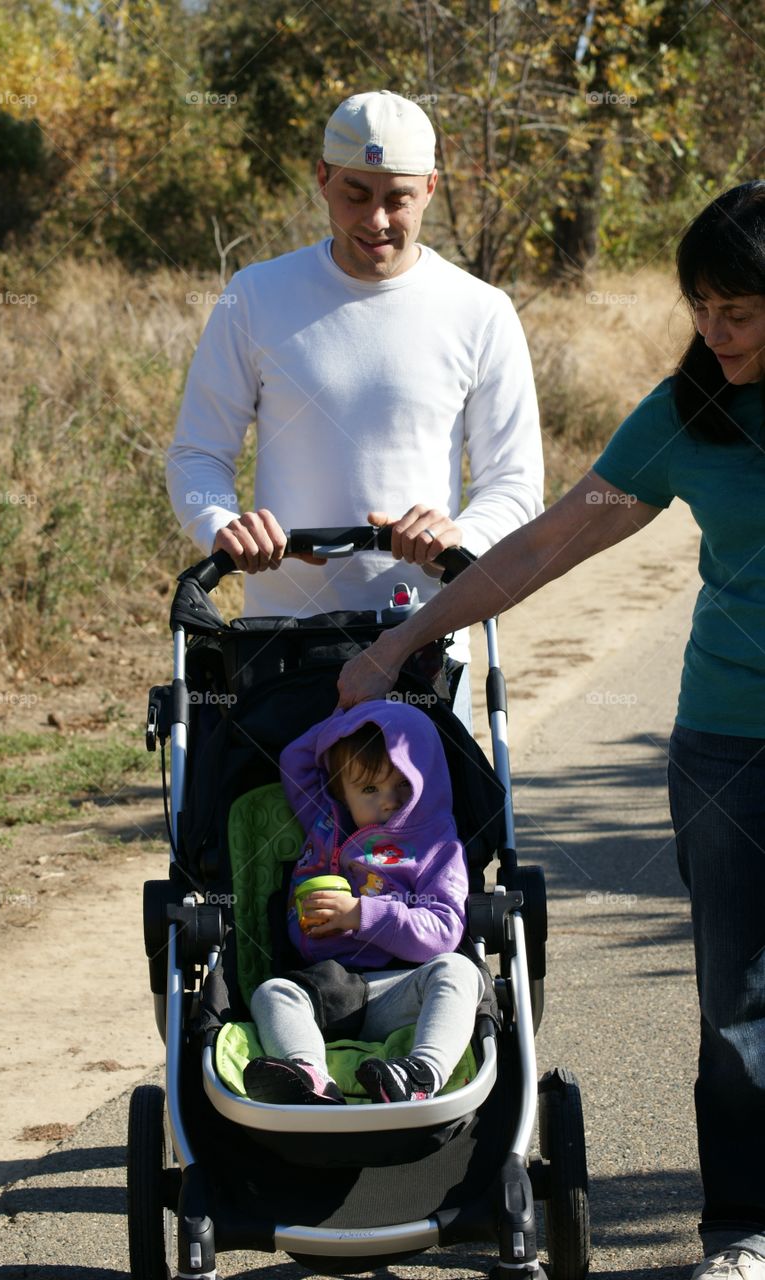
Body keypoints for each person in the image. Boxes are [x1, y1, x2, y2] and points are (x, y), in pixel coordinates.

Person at [336, 180, 765, 1280]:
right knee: (738, 1007)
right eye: (701, 307)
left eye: (739, 310)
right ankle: (742, 1229)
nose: (713, 333)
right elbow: (543, 545)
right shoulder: (688, 413)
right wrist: (400, 643)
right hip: (729, 738)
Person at [166, 89, 544, 718]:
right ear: (322, 179)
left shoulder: (481, 311)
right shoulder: (254, 296)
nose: (376, 221)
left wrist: (459, 536)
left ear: (429, 187)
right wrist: (224, 528)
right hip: (281, 650)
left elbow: (515, 484)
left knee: (415, 819)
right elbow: (197, 454)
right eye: (355, 195)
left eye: (397, 198)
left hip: (423, 641)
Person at [242, 699, 486, 1106]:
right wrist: (346, 714)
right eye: (369, 789)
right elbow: (296, 758)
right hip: (327, 989)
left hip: (402, 987)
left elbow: (443, 930)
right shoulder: (325, 819)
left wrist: (361, 915)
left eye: (404, 784)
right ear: (340, 789)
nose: (388, 800)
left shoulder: (436, 845)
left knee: (458, 972)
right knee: (271, 993)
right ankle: (310, 1077)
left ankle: (420, 1072)